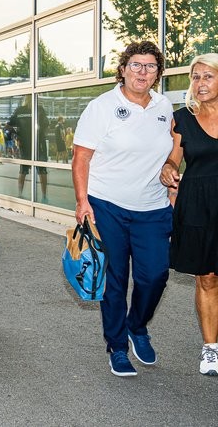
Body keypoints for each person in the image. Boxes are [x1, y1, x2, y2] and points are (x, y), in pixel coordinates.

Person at [72, 40, 173, 377]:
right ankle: (116, 345)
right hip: (107, 205)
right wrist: (82, 201)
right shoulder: (102, 107)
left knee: (155, 275)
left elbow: (174, 150)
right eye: (136, 65)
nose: (142, 72)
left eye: (150, 66)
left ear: (158, 72)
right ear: (123, 69)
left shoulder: (165, 107)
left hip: (153, 207)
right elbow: (81, 156)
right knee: (114, 280)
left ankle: (137, 325)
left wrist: (170, 177)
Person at [160, 53, 218, 377]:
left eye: (208, 76)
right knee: (207, 277)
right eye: (195, 77)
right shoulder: (182, 119)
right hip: (197, 204)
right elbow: (172, 160)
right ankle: (211, 348)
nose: (200, 83)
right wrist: (167, 171)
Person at [9, 94, 48, 200]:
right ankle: (44, 196)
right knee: (42, 171)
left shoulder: (20, 110)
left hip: (25, 144)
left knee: (23, 170)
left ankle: (20, 193)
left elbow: (8, 125)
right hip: (39, 144)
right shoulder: (39, 109)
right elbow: (46, 125)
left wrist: (17, 135)